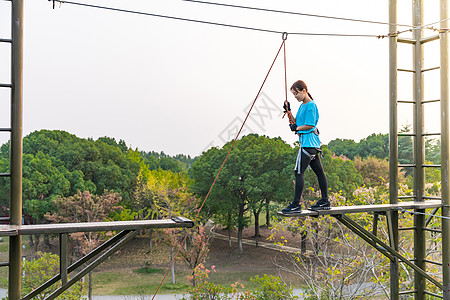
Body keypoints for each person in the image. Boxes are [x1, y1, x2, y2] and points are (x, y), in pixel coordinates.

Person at [281, 80, 330, 214]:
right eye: (293, 94)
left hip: (308, 144)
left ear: (304, 90)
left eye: (296, 93)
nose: (295, 96)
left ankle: (296, 204)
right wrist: (289, 111)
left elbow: (309, 125)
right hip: (312, 145)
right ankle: (325, 201)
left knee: (298, 172)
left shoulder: (311, 105)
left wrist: (296, 128)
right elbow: (297, 123)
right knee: (319, 172)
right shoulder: (302, 106)